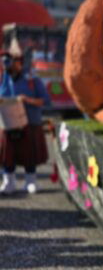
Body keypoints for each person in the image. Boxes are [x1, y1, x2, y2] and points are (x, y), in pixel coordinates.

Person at [0, 51, 51, 194]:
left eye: (11, 62)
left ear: (20, 64)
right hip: (7, 124)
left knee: (29, 155)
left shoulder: (33, 80)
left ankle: (31, 182)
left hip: (29, 123)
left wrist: (27, 100)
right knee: (6, 156)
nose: (7, 65)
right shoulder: (2, 79)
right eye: (5, 62)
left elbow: (46, 101)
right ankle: (8, 182)